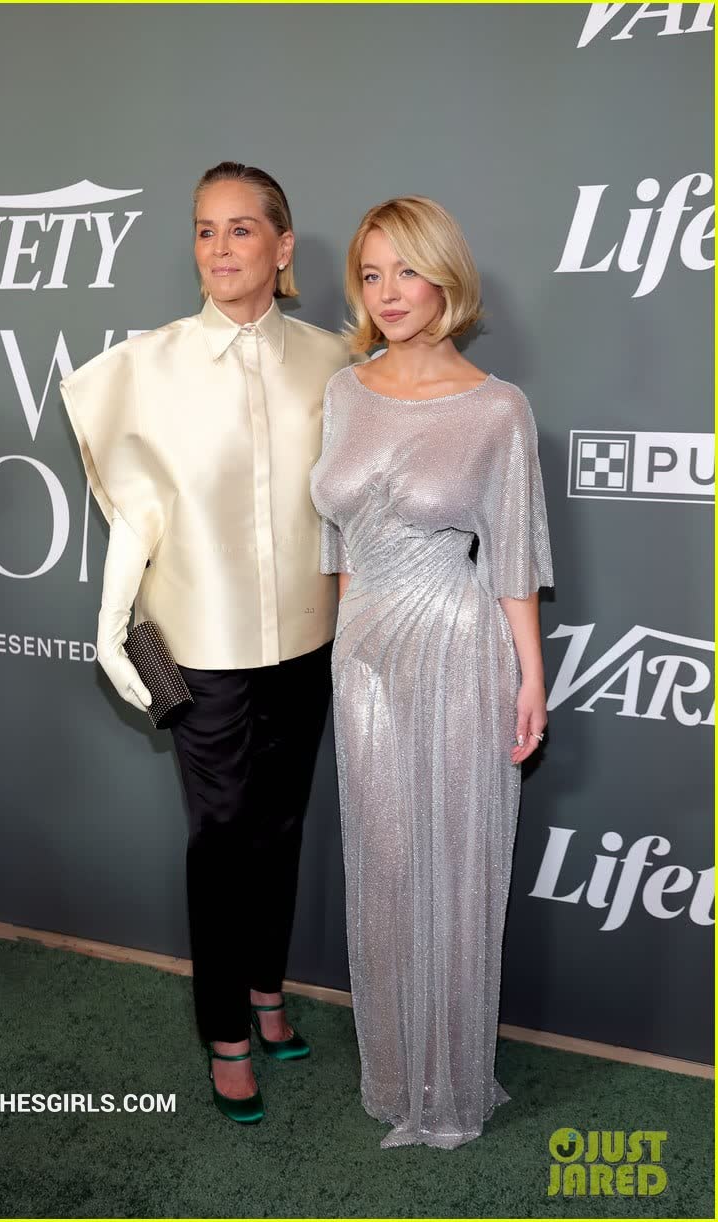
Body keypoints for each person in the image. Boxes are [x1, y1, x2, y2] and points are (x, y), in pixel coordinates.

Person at [60, 161, 358, 1125]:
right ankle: (225, 1032)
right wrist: (111, 623)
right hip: (200, 647)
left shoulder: (335, 362)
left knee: (281, 828)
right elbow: (136, 516)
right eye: (203, 229)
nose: (219, 248)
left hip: (308, 641)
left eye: (240, 229)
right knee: (222, 835)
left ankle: (268, 995)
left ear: (282, 245)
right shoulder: (142, 368)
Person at [309, 195, 554, 1150]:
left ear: (444, 277)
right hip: (361, 657)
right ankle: (396, 1071)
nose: (388, 292)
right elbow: (337, 543)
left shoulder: (497, 408)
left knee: (450, 862)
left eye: (405, 270)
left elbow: (513, 560)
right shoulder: (344, 391)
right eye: (371, 274)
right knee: (383, 862)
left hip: (456, 654)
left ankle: (447, 1082)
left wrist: (530, 679)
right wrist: (343, 644)